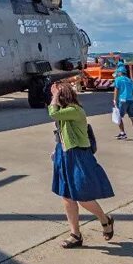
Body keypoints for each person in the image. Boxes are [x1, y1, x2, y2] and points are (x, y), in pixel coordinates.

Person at [48, 81, 114, 248]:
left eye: (56, 95)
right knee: (67, 197)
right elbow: (61, 133)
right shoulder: (65, 112)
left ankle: (105, 220)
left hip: (78, 155)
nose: (53, 98)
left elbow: (53, 114)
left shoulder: (75, 110)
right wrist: (57, 151)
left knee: (82, 196)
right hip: (65, 154)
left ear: (63, 96)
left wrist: (55, 94)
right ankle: (75, 234)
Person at [113, 68, 133, 140]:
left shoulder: (118, 79)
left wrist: (114, 100)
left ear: (120, 72)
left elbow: (116, 90)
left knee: (119, 117)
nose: (117, 74)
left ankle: (122, 133)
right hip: (130, 100)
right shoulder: (130, 80)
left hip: (122, 100)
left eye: (118, 72)